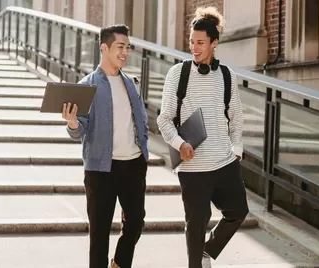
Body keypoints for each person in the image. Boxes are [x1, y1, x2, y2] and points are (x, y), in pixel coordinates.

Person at [156, 6, 249, 268]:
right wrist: (180, 143)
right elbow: (163, 119)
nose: (194, 48)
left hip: (224, 162)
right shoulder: (178, 74)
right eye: (191, 42)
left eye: (200, 43)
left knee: (238, 212)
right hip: (193, 166)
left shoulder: (227, 76)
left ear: (214, 43)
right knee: (195, 226)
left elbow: (237, 117)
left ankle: (208, 251)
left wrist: (237, 147)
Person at [62, 24, 150, 268]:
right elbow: (79, 130)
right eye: (120, 47)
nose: (125, 52)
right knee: (99, 235)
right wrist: (71, 122)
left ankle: (119, 263)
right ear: (104, 48)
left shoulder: (131, 83)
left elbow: (140, 119)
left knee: (135, 224)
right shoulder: (87, 85)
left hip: (133, 165)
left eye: (128, 47)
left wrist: (144, 152)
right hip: (101, 170)